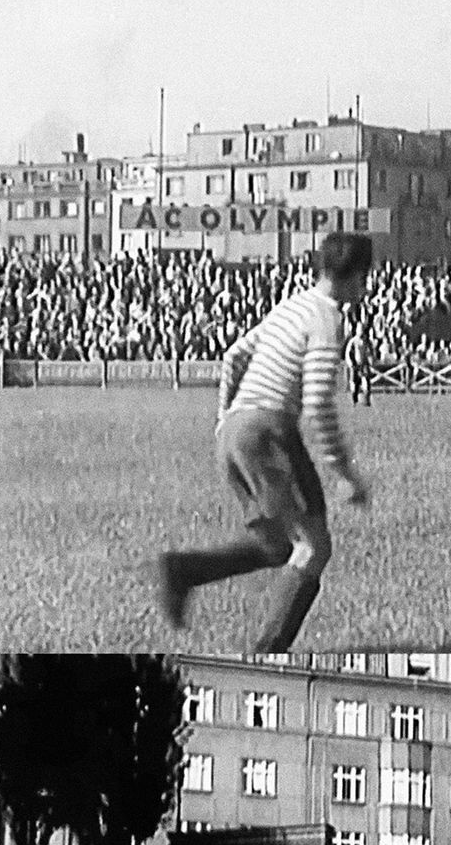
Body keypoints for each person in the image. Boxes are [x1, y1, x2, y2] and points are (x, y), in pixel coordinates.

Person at [155, 232, 373, 651]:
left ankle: (182, 571)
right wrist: (344, 473)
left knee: (276, 545)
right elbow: (317, 404)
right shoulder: (328, 320)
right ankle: (267, 653)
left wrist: (224, 418)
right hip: (269, 433)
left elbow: (234, 355)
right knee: (314, 548)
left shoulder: (291, 305)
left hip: (235, 432)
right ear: (360, 276)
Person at [343, 319, 371, 407]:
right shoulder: (353, 341)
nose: (361, 332)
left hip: (363, 365)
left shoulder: (365, 341)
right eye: (359, 330)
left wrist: (369, 360)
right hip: (355, 365)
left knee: (366, 382)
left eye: (362, 330)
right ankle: (354, 401)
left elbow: (368, 352)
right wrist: (351, 363)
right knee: (355, 383)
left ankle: (367, 401)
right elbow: (348, 353)